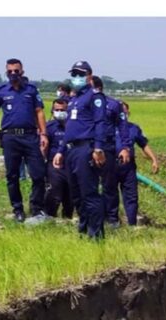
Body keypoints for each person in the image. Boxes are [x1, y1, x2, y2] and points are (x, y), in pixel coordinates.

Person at [0, 58, 49, 222]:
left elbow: (39, 112)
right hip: (10, 138)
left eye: (16, 71)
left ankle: (36, 208)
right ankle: (18, 210)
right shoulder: (1, 91)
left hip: (30, 137)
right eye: (10, 71)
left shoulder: (31, 90)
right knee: (12, 176)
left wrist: (43, 134)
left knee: (38, 175)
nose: (13, 74)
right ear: (6, 73)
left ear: (22, 72)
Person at [53, 61, 107, 239]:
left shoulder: (95, 97)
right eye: (74, 74)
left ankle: (96, 235)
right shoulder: (74, 99)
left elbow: (100, 123)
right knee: (76, 195)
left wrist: (98, 148)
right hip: (71, 150)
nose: (77, 78)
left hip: (86, 148)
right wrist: (61, 150)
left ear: (89, 76)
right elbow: (69, 127)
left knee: (89, 193)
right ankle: (83, 230)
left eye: (81, 74)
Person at [91, 76, 131, 229]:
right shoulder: (84, 103)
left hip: (107, 147)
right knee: (89, 185)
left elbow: (122, 127)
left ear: (98, 88)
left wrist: (125, 147)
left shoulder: (113, 104)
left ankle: (112, 218)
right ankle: (93, 216)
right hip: (89, 146)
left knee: (109, 184)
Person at [114, 102, 159, 226]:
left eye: (125, 112)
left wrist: (154, 159)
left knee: (131, 196)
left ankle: (132, 224)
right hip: (111, 166)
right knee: (111, 195)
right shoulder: (108, 128)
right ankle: (113, 223)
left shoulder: (134, 128)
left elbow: (143, 144)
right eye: (120, 112)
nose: (123, 115)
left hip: (128, 167)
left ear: (129, 113)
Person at [43, 98, 73, 218]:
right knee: (54, 192)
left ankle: (68, 218)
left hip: (71, 165)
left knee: (70, 195)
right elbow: (43, 147)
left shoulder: (74, 126)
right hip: (54, 166)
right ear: (52, 111)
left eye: (62, 110)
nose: (60, 112)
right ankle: (49, 217)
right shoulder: (49, 127)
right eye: (57, 110)